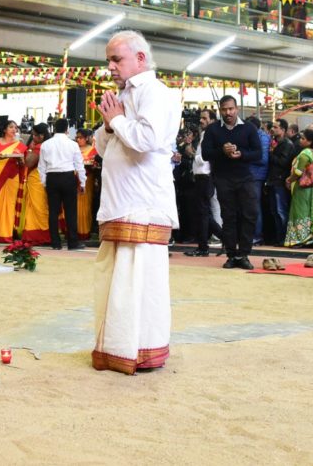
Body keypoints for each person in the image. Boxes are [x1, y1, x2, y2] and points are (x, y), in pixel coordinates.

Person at [92, 30, 178, 374]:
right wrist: (108, 126)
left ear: (140, 58)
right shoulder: (124, 95)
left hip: (142, 204)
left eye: (117, 59)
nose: (110, 67)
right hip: (120, 202)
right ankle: (116, 348)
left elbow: (147, 139)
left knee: (138, 282)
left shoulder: (155, 92)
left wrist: (116, 120)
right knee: (116, 281)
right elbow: (103, 148)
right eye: (108, 60)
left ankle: (140, 351)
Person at [201, 95, 262, 270]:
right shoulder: (213, 130)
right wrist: (222, 150)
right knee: (228, 217)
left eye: (231, 109)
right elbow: (205, 154)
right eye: (224, 109)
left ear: (237, 109)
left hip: (245, 178)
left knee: (250, 214)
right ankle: (231, 254)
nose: (228, 112)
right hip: (223, 179)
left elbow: (258, 153)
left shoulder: (249, 128)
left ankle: (244, 254)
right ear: (220, 110)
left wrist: (241, 154)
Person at [38, 118, 86, 250]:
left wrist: (45, 183)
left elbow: (41, 167)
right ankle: (73, 243)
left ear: (54, 128)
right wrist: (82, 183)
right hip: (68, 177)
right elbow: (79, 165)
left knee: (53, 211)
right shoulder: (73, 144)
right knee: (71, 211)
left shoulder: (45, 144)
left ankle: (55, 243)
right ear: (67, 129)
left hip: (52, 178)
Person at [184, 108, 222, 257]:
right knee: (203, 213)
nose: (201, 120)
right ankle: (222, 240)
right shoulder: (205, 134)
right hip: (201, 177)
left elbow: (206, 157)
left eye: (205, 118)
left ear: (212, 120)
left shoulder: (211, 135)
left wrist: (192, 154)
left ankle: (204, 247)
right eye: (201, 118)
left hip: (206, 177)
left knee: (204, 213)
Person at [0, 120, 28, 243]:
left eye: (15, 128)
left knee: (10, 205)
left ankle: (5, 235)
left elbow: (23, 163)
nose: (14, 130)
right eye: (11, 127)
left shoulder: (19, 145)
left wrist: (20, 160)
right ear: (4, 129)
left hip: (12, 176)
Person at [284, 128, 313, 247]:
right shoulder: (312, 152)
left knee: (300, 212)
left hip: (302, 188)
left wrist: (289, 180)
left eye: (303, 138)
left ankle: (300, 239)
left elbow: (298, 172)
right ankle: (308, 238)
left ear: (309, 142)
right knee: (307, 212)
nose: (300, 140)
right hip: (310, 188)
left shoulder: (305, 153)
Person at [18, 123, 53, 245]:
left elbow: (28, 163)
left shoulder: (39, 147)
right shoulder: (49, 145)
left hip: (36, 178)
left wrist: (29, 150)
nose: (32, 137)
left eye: (34, 135)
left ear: (41, 136)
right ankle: (40, 234)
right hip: (45, 178)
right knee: (40, 206)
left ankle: (41, 235)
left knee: (38, 207)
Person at [266, 118, 295, 246]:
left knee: (280, 211)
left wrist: (271, 154)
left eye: (276, 127)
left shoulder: (287, 144)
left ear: (283, 130)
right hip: (273, 180)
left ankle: (284, 238)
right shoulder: (275, 143)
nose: (272, 129)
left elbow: (283, 162)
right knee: (274, 211)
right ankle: (279, 238)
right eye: (272, 127)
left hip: (280, 181)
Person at [246, 115, 271, 245]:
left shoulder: (263, 138)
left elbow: (263, 159)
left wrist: (245, 155)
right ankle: (251, 235)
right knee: (249, 207)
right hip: (249, 175)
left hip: (257, 176)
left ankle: (257, 235)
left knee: (255, 206)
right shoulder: (252, 136)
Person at [75, 128, 98, 245]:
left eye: (81, 137)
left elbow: (95, 165)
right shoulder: (74, 149)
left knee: (85, 205)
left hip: (87, 179)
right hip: (73, 180)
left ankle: (84, 231)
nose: (78, 140)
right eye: (77, 137)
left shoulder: (92, 150)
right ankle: (73, 230)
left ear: (87, 138)